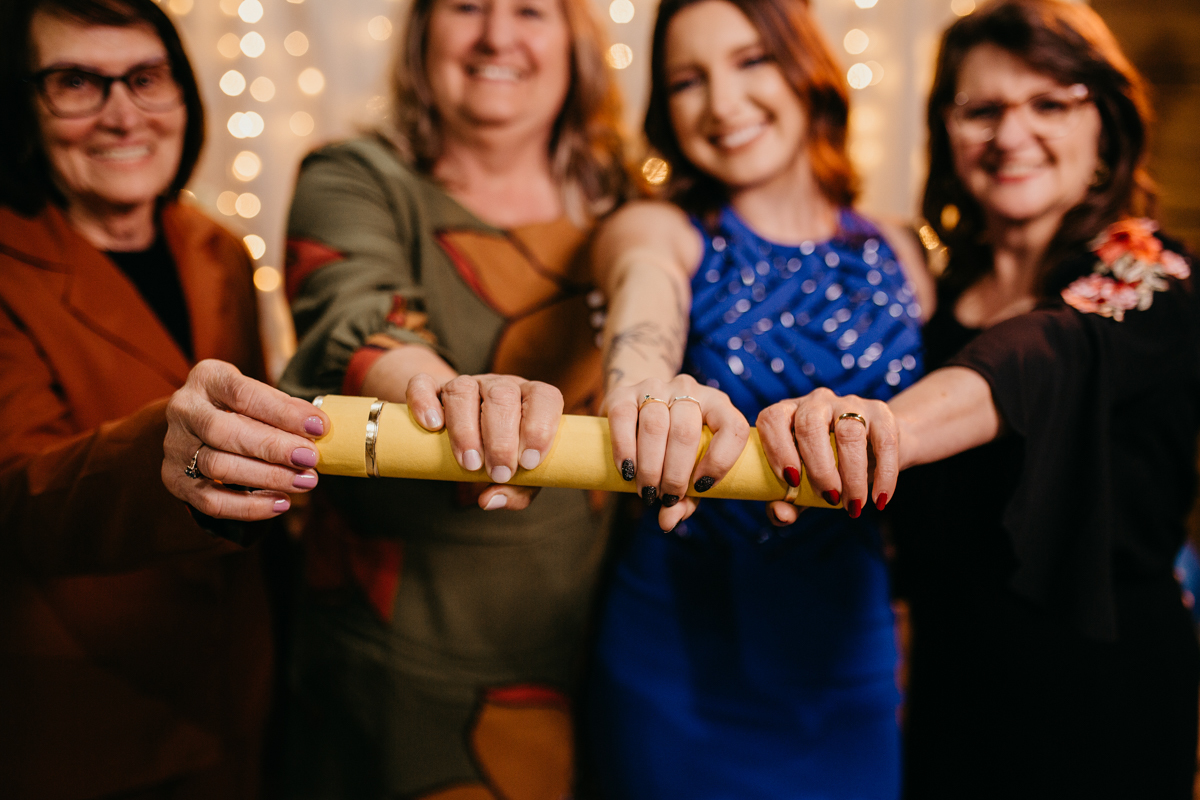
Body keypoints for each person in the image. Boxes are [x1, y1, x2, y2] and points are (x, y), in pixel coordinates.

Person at [757, 1, 1200, 797]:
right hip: (948, 695)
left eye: (1050, 104)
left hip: (1104, 703)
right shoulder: (932, 296)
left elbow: (1043, 352)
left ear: (1104, 124)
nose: (1012, 134)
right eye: (982, 110)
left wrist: (879, 427)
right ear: (946, 131)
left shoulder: (1152, 274)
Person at [579, 0, 934, 795]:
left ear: (805, 66)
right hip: (674, 667)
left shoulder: (903, 252)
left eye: (751, 61)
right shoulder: (658, 229)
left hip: (848, 673)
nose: (722, 102)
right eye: (687, 80)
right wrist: (644, 393)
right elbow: (644, 299)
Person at [273, 0, 627, 794]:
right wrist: (455, 399)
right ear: (423, 33)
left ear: (573, 41)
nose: (497, 35)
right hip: (388, 660)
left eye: (530, 10)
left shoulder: (624, 202)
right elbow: (356, 322)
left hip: (585, 652)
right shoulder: (354, 175)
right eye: (468, 5)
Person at [0, 0, 330, 796]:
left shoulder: (221, 249)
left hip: (237, 695)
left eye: (146, 78)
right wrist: (171, 457)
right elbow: (14, 498)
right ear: (24, 103)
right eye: (77, 82)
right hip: (89, 720)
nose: (122, 115)